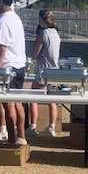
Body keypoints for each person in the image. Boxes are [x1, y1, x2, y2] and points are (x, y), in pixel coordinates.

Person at [0, 0, 27, 145]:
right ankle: (21, 137)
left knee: (8, 104)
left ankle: (13, 139)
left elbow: (2, 48)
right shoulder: (15, 17)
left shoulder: (3, 20)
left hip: (7, 68)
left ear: (0, 2)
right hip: (19, 66)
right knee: (17, 102)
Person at [28, 9, 61, 137]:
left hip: (43, 70)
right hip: (54, 71)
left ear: (42, 20)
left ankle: (33, 126)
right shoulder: (56, 33)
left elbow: (35, 54)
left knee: (33, 97)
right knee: (51, 100)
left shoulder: (43, 33)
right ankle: (51, 127)